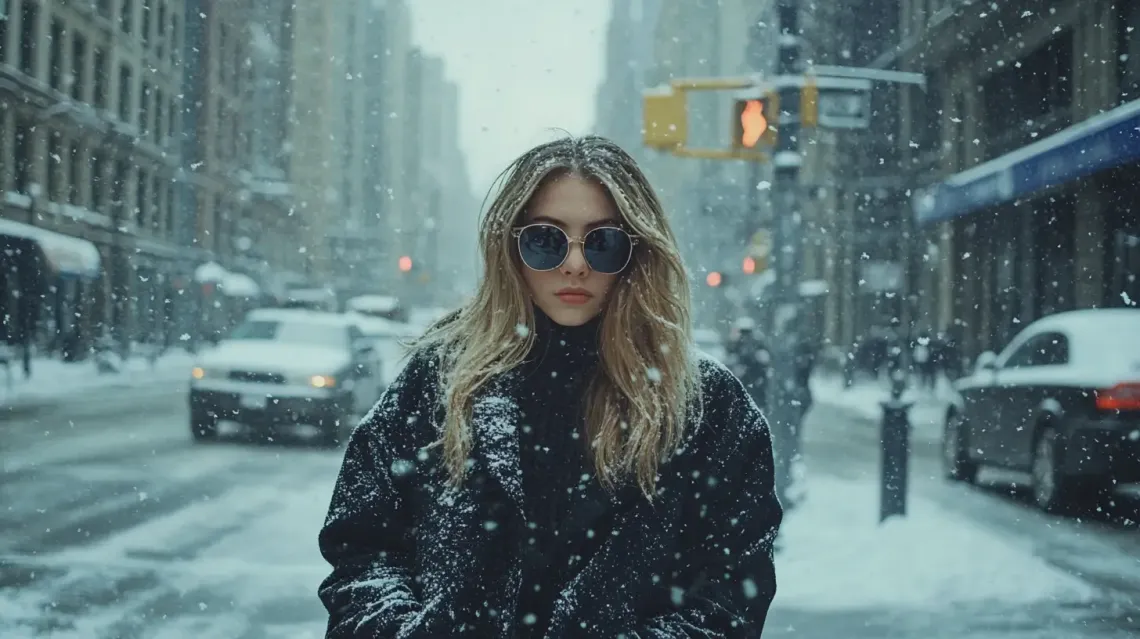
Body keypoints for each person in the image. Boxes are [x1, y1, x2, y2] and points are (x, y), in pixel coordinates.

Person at [317, 136, 782, 637]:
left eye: (603, 242)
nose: (576, 264)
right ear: (510, 247)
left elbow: (728, 599)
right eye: (546, 240)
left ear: (637, 253)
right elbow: (362, 551)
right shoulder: (441, 378)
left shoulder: (707, 405)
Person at [726, 316, 770, 411]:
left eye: (747, 332)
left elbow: (764, 361)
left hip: (754, 384)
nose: (745, 336)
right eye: (743, 332)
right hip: (742, 385)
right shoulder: (734, 344)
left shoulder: (758, 344)